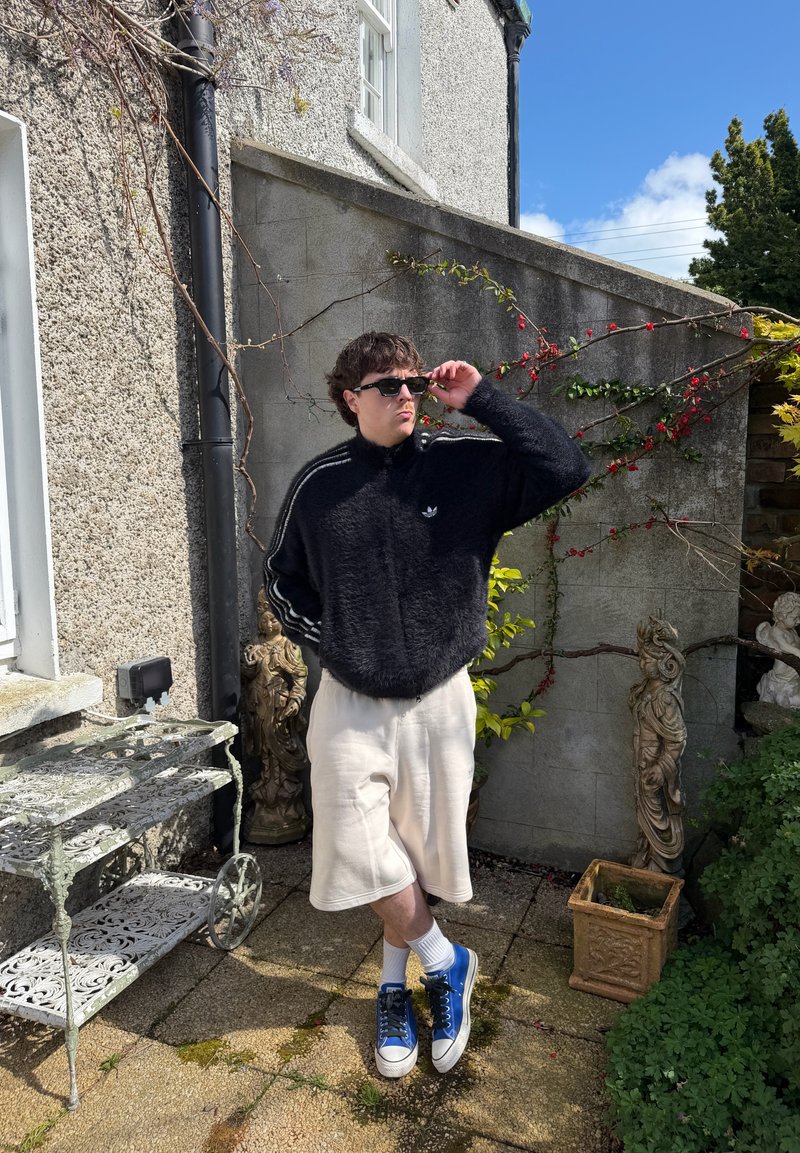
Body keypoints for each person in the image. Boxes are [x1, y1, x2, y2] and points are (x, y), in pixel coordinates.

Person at [264, 331, 589, 1079]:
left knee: (417, 853)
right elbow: (282, 580)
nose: (405, 395)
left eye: (412, 382)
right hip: (349, 700)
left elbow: (566, 465)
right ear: (351, 399)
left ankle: (392, 987)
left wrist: (480, 399)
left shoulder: (464, 465)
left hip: (440, 698)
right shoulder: (319, 484)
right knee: (357, 844)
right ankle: (447, 960)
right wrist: (335, 642)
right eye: (388, 385)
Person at [756, 591, 800, 708]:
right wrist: (797, 652)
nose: (799, 621)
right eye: (795, 618)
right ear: (781, 616)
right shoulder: (776, 631)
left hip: (794, 671)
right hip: (783, 675)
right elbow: (783, 646)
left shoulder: (792, 631)